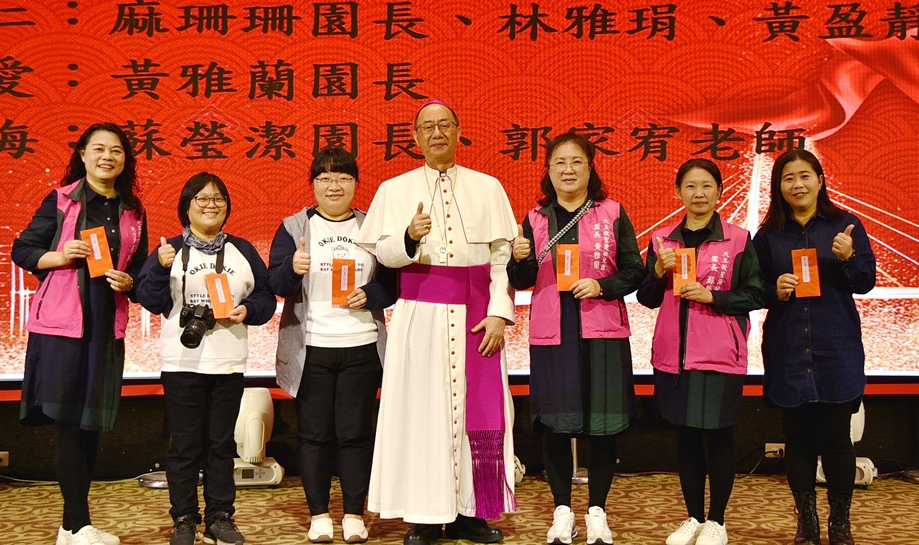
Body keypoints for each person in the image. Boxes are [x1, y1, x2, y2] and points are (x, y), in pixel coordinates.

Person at [356, 100, 518, 545]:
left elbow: (501, 258)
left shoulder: (488, 187)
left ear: (459, 131)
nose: (437, 133)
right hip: (420, 316)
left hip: (477, 316)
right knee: (420, 414)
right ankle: (425, 516)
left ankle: (471, 514)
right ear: (415, 137)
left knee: (478, 415)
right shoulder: (395, 189)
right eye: (427, 127)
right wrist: (409, 236)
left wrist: (499, 313)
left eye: (445, 125)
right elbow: (383, 253)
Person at [12, 122, 148, 545]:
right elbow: (22, 250)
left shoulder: (133, 210)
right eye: (99, 149)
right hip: (63, 327)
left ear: (125, 159)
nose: (108, 157)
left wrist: (131, 281)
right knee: (70, 423)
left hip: (105, 327)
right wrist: (59, 255)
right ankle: (75, 524)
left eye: (116, 150)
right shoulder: (60, 200)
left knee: (89, 426)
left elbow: (140, 269)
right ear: (83, 155)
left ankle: (73, 526)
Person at [507, 133, 645, 545]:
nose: (568, 170)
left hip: (602, 329)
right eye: (559, 163)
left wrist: (603, 286)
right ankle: (562, 511)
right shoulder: (534, 219)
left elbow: (635, 270)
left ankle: (597, 511)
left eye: (577, 162)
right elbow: (522, 279)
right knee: (556, 425)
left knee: (603, 425)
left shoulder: (612, 212)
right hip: (553, 331)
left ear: (590, 167)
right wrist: (518, 259)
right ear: (548, 170)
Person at [137, 173, 276, 545]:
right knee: (184, 446)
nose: (211, 205)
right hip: (182, 362)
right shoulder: (169, 250)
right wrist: (159, 267)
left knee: (220, 445)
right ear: (186, 206)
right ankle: (184, 518)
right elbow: (149, 299)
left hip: (228, 361)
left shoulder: (242, 250)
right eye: (202, 199)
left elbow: (266, 299)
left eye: (218, 199)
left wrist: (247, 310)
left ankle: (220, 517)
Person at [268, 147, 396, 544]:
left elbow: (392, 286)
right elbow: (275, 284)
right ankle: (319, 514)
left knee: (355, 433)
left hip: (361, 346)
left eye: (342, 177)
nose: (334, 185)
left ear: (356, 184)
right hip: (312, 348)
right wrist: (292, 268)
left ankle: (354, 514)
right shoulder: (295, 227)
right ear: (313, 185)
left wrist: (370, 295)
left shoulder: (372, 226)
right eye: (324, 178)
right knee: (314, 435)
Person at [636, 159, 765, 545]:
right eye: (690, 186)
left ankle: (717, 522)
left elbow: (757, 294)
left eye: (707, 186)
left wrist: (714, 297)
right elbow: (647, 298)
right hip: (674, 356)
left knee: (718, 437)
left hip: (719, 354)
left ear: (719, 192)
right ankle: (693, 517)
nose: (699, 194)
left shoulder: (738, 239)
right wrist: (657, 271)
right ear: (679, 192)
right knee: (686, 438)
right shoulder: (662, 240)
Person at [752, 149, 875, 545]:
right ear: (778, 187)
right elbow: (752, 290)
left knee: (837, 439)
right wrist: (775, 290)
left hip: (834, 345)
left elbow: (865, 282)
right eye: (788, 178)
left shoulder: (845, 225)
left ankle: (840, 523)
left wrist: (849, 257)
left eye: (805, 176)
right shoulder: (767, 236)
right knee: (798, 441)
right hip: (788, 346)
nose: (797, 185)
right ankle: (807, 523)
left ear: (820, 180)